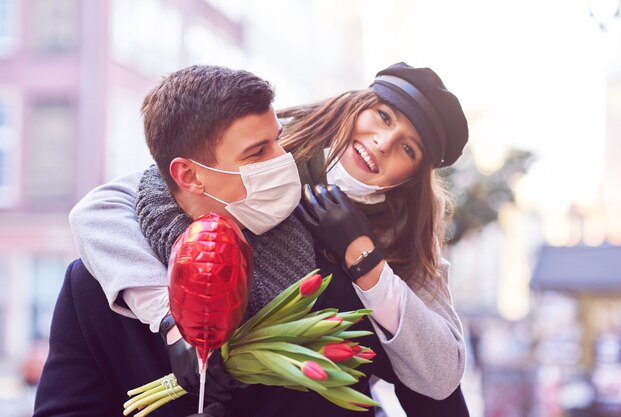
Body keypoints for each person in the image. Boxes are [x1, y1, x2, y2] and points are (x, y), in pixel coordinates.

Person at [55, 63, 470, 416]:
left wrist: (364, 258)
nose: (383, 142)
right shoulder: (274, 149)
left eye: (409, 149)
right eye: (382, 117)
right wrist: (174, 322)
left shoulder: (404, 243)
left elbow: (440, 377)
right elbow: (113, 205)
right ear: (358, 105)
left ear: (413, 177)